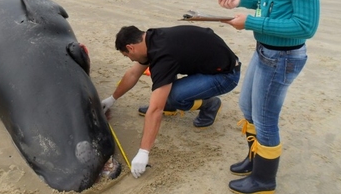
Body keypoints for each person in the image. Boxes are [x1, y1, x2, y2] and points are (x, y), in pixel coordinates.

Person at [217, 0, 339, 193]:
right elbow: (273, 1)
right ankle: (255, 157)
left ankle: (263, 179)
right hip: (266, 50)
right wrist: (242, 0)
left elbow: (304, 25)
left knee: (266, 119)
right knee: (248, 107)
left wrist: (251, 23)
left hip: (283, 57)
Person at [101, 25, 241, 178]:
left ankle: (209, 104)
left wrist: (143, 152)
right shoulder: (152, 38)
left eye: (127, 55)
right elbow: (133, 74)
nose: (130, 59)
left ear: (130, 47)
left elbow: (155, 110)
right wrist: (112, 99)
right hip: (209, 64)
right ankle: (175, 103)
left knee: (172, 96)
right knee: (162, 81)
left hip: (226, 76)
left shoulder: (163, 55)